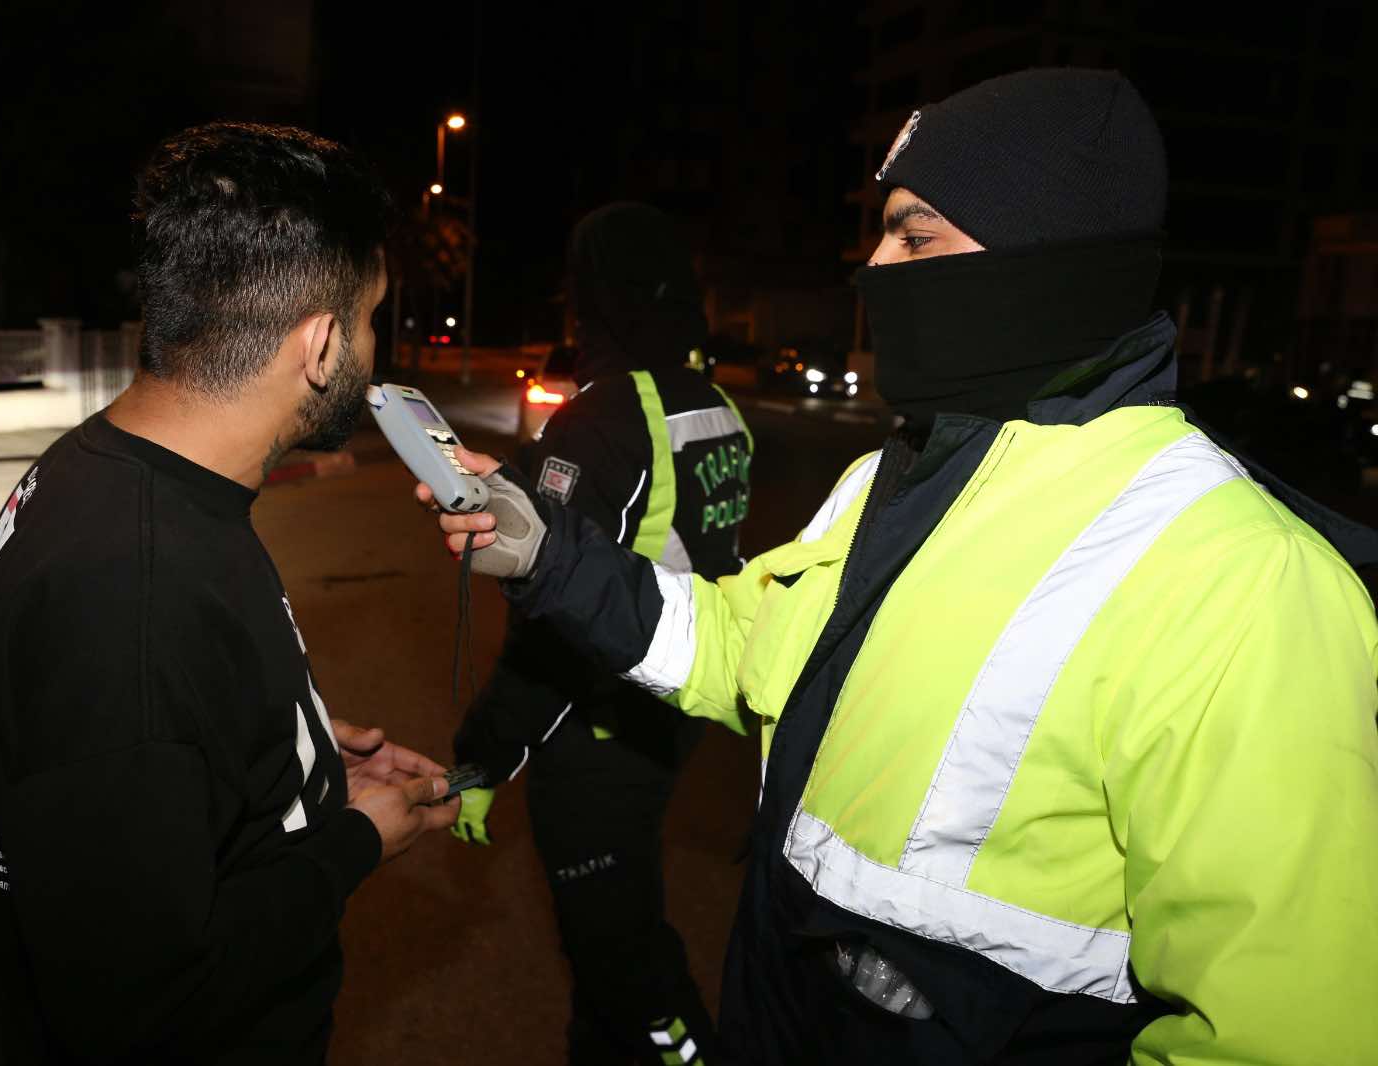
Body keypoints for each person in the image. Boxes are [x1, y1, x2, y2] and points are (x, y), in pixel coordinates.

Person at [425, 69, 1378, 1064]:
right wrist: (544, 551)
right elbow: (738, 645)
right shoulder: (888, 477)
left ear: (1050, 263)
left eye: (914, 238)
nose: (874, 268)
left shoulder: (1239, 576)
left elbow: (1286, 1028)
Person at [0, 122, 459, 1065]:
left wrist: (298, 753)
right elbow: (142, 997)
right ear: (320, 345)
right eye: (368, 319)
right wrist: (355, 840)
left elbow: (158, 757)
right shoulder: (132, 599)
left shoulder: (111, 470)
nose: (373, 348)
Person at [451, 203, 750, 1065]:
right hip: (673, 706)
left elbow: (553, 624)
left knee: (622, 958)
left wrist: (484, 757)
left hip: (598, 730)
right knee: (608, 956)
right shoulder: (718, 404)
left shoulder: (603, 415)